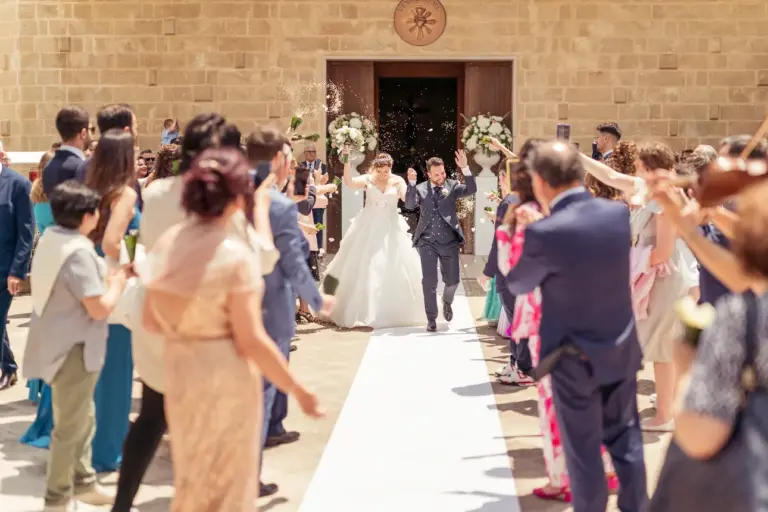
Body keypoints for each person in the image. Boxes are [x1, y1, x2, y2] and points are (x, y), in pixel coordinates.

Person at [143, 148, 323, 512]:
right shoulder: (233, 256)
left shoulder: (168, 244)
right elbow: (253, 340)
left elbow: (150, 319)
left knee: (191, 478)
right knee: (230, 482)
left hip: (180, 370)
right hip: (225, 373)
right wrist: (299, 390)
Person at [112, 113, 266, 510]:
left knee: (151, 415)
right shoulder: (221, 196)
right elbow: (254, 256)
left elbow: (147, 240)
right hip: (204, 321)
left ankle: (123, 502)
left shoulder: (159, 189)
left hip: (158, 311)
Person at [503, 141, 646, 512]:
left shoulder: (545, 232)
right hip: (620, 347)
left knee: (583, 454)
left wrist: (525, 233)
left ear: (541, 182)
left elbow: (518, 283)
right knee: (627, 444)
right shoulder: (616, 215)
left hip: (572, 358)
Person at [24, 181, 132, 511]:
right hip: (74, 350)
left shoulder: (53, 240)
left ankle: (83, 482)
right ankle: (56, 499)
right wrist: (117, 282)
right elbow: (99, 307)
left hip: (58, 342)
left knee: (82, 417)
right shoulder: (79, 253)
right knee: (69, 428)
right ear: (87, 216)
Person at [245, 127, 335, 496]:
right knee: (262, 394)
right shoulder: (277, 207)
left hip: (230, 309)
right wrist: (318, 300)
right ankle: (248, 478)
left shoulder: (225, 196)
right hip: (268, 309)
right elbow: (295, 263)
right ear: (278, 160)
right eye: (289, 157)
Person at [321, 148, 425, 329]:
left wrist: (412, 183)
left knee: (394, 264)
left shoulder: (397, 180)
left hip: (391, 226)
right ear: (374, 169)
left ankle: (390, 309)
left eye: (386, 171)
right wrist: (346, 162)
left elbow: (409, 201)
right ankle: (360, 310)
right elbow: (350, 182)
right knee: (365, 264)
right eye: (380, 171)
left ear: (390, 168)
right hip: (368, 225)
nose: (384, 175)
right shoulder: (367, 179)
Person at [405, 150, 477, 332]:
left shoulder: (452, 186)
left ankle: (447, 300)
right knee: (429, 281)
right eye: (437, 174)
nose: (441, 177)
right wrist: (411, 184)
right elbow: (410, 205)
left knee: (452, 281)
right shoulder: (420, 188)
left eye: (443, 173)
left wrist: (465, 168)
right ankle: (431, 319)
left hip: (449, 240)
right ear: (428, 174)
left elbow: (471, 189)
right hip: (426, 241)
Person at [0, 145, 34, 390]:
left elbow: (26, 232)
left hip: (5, 270)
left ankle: (8, 368)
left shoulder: (18, 185)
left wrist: (17, 270)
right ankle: (9, 366)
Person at [302, 142, 327, 251]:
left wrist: (321, 180)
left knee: (318, 224)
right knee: (306, 224)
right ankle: (308, 249)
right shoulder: (300, 165)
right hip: (305, 199)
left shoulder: (322, 165)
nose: (312, 154)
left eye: (314, 151)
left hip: (319, 199)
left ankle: (319, 249)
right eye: (309, 151)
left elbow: (325, 181)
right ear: (305, 153)